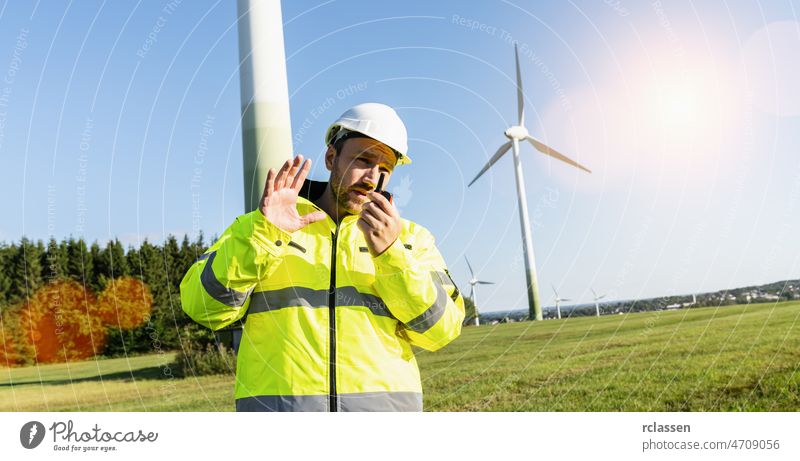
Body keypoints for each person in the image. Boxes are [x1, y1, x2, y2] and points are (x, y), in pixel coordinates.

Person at [180, 102, 464, 411]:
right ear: (331, 157)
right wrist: (263, 237)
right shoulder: (261, 227)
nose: (372, 177)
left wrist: (391, 256)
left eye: (385, 169)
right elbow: (202, 308)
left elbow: (441, 332)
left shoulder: (410, 240)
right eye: (363, 160)